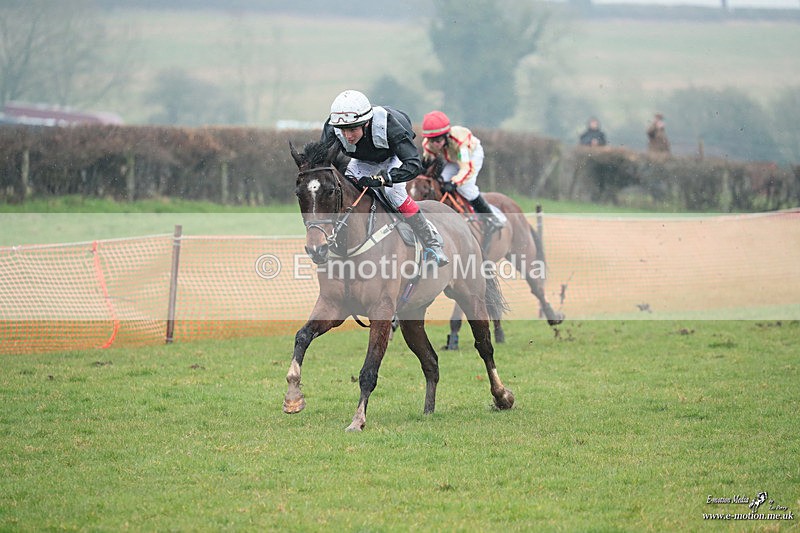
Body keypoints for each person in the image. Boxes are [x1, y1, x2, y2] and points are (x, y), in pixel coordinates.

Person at [320, 90, 448, 267]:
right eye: (343, 130)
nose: (348, 136)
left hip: (393, 157)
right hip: (362, 160)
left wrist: (384, 179)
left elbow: (414, 165)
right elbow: (323, 160)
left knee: (394, 193)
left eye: (353, 129)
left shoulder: (389, 126)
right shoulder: (332, 126)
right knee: (346, 190)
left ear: (366, 123)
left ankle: (431, 243)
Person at [420, 110, 503, 230]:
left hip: (471, 156)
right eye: (432, 140)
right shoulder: (428, 144)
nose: (435, 144)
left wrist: (454, 183)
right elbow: (427, 162)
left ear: (446, 136)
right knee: (441, 181)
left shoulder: (460, 140)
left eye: (438, 140)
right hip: (452, 158)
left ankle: (491, 218)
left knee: (465, 187)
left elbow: (466, 169)